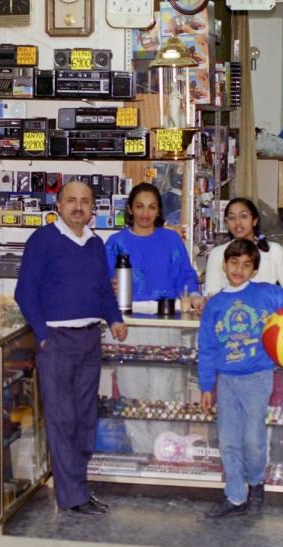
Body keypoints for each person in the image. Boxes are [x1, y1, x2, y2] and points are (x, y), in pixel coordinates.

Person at [15, 180, 128, 516]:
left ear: (93, 208)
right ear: (59, 205)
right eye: (72, 200)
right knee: (62, 419)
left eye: (85, 201)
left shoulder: (95, 243)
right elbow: (25, 292)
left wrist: (115, 319)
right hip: (57, 342)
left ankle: (80, 488)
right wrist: (43, 335)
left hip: (90, 340)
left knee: (85, 419)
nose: (79, 207)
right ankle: (72, 497)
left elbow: (103, 291)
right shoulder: (43, 240)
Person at [198, 238, 283, 519]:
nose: (239, 269)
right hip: (226, 380)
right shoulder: (214, 305)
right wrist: (206, 386)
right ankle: (235, 496)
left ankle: (256, 483)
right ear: (224, 265)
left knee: (253, 440)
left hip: (258, 378)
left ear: (255, 270)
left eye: (247, 265)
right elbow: (207, 349)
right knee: (228, 442)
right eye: (234, 263)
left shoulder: (267, 293)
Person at [104, 183, 202, 453]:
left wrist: (194, 296)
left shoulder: (171, 240)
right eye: (139, 206)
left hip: (164, 321)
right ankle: (142, 453)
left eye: (151, 207)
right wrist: (107, 286)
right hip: (128, 324)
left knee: (164, 390)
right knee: (132, 390)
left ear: (159, 211)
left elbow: (186, 275)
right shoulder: (115, 243)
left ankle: (164, 452)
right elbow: (100, 281)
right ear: (130, 209)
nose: (145, 213)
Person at [204, 198, 283, 296]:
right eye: (232, 217)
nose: (237, 222)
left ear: (255, 220)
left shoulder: (274, 251)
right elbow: (211, 295)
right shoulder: (217, 253)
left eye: (243, 216)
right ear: (226, 223)